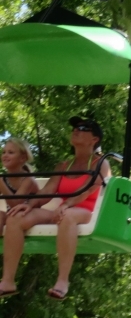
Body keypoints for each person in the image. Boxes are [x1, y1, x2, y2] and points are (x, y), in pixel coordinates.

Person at [0, 118, 112, 300]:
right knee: (16, 217)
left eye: (83, 128)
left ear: (94, 140)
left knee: (67, 216)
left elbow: (90, 189)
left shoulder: (100, 163)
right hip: (63, 211)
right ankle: (8, 281)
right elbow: (47, 192)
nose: (76, 130)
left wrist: (67, 204)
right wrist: (28, 205)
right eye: (75, 127)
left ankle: (62, 281)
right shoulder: (63, 166)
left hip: (86, 212)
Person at [0, 138, 39, 241]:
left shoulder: (28, 179)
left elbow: (15, 204)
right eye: (4, 152)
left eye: (10, 152)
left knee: (13, 217)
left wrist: (1, 183)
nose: (5, 155)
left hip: (29, 215)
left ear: (22, 158)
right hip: (12, 215)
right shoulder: (4, 179)